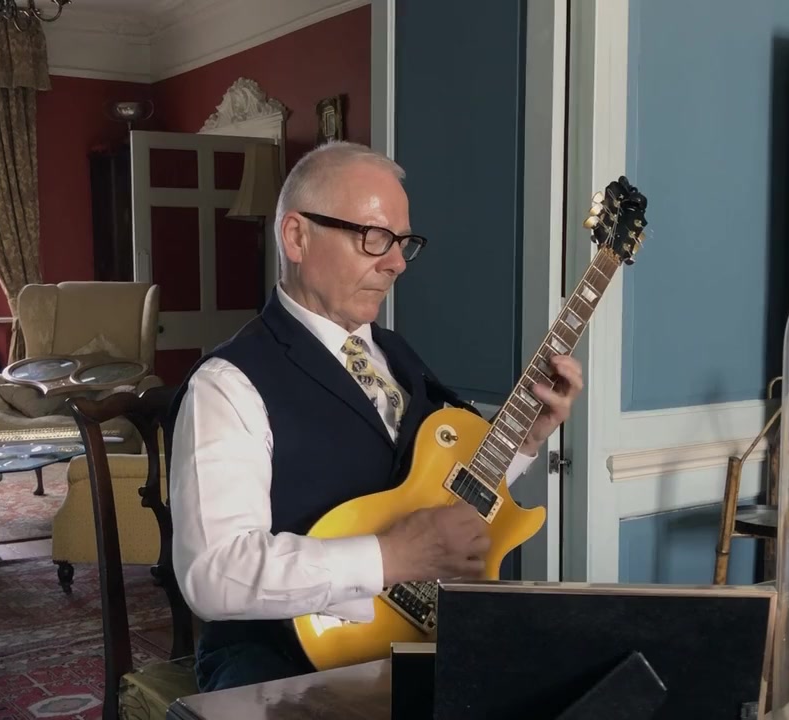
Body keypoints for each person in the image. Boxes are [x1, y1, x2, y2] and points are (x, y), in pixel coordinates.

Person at [165, 141, 583, 693]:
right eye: (374, 237)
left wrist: (524, 441)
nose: (396, 262)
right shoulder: (228, 384)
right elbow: (213, 573)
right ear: (296, 237)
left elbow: (439, 496)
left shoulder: (395, 354)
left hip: (421, 638)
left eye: (403, 242)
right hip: (280, 662)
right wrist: (388, 557)